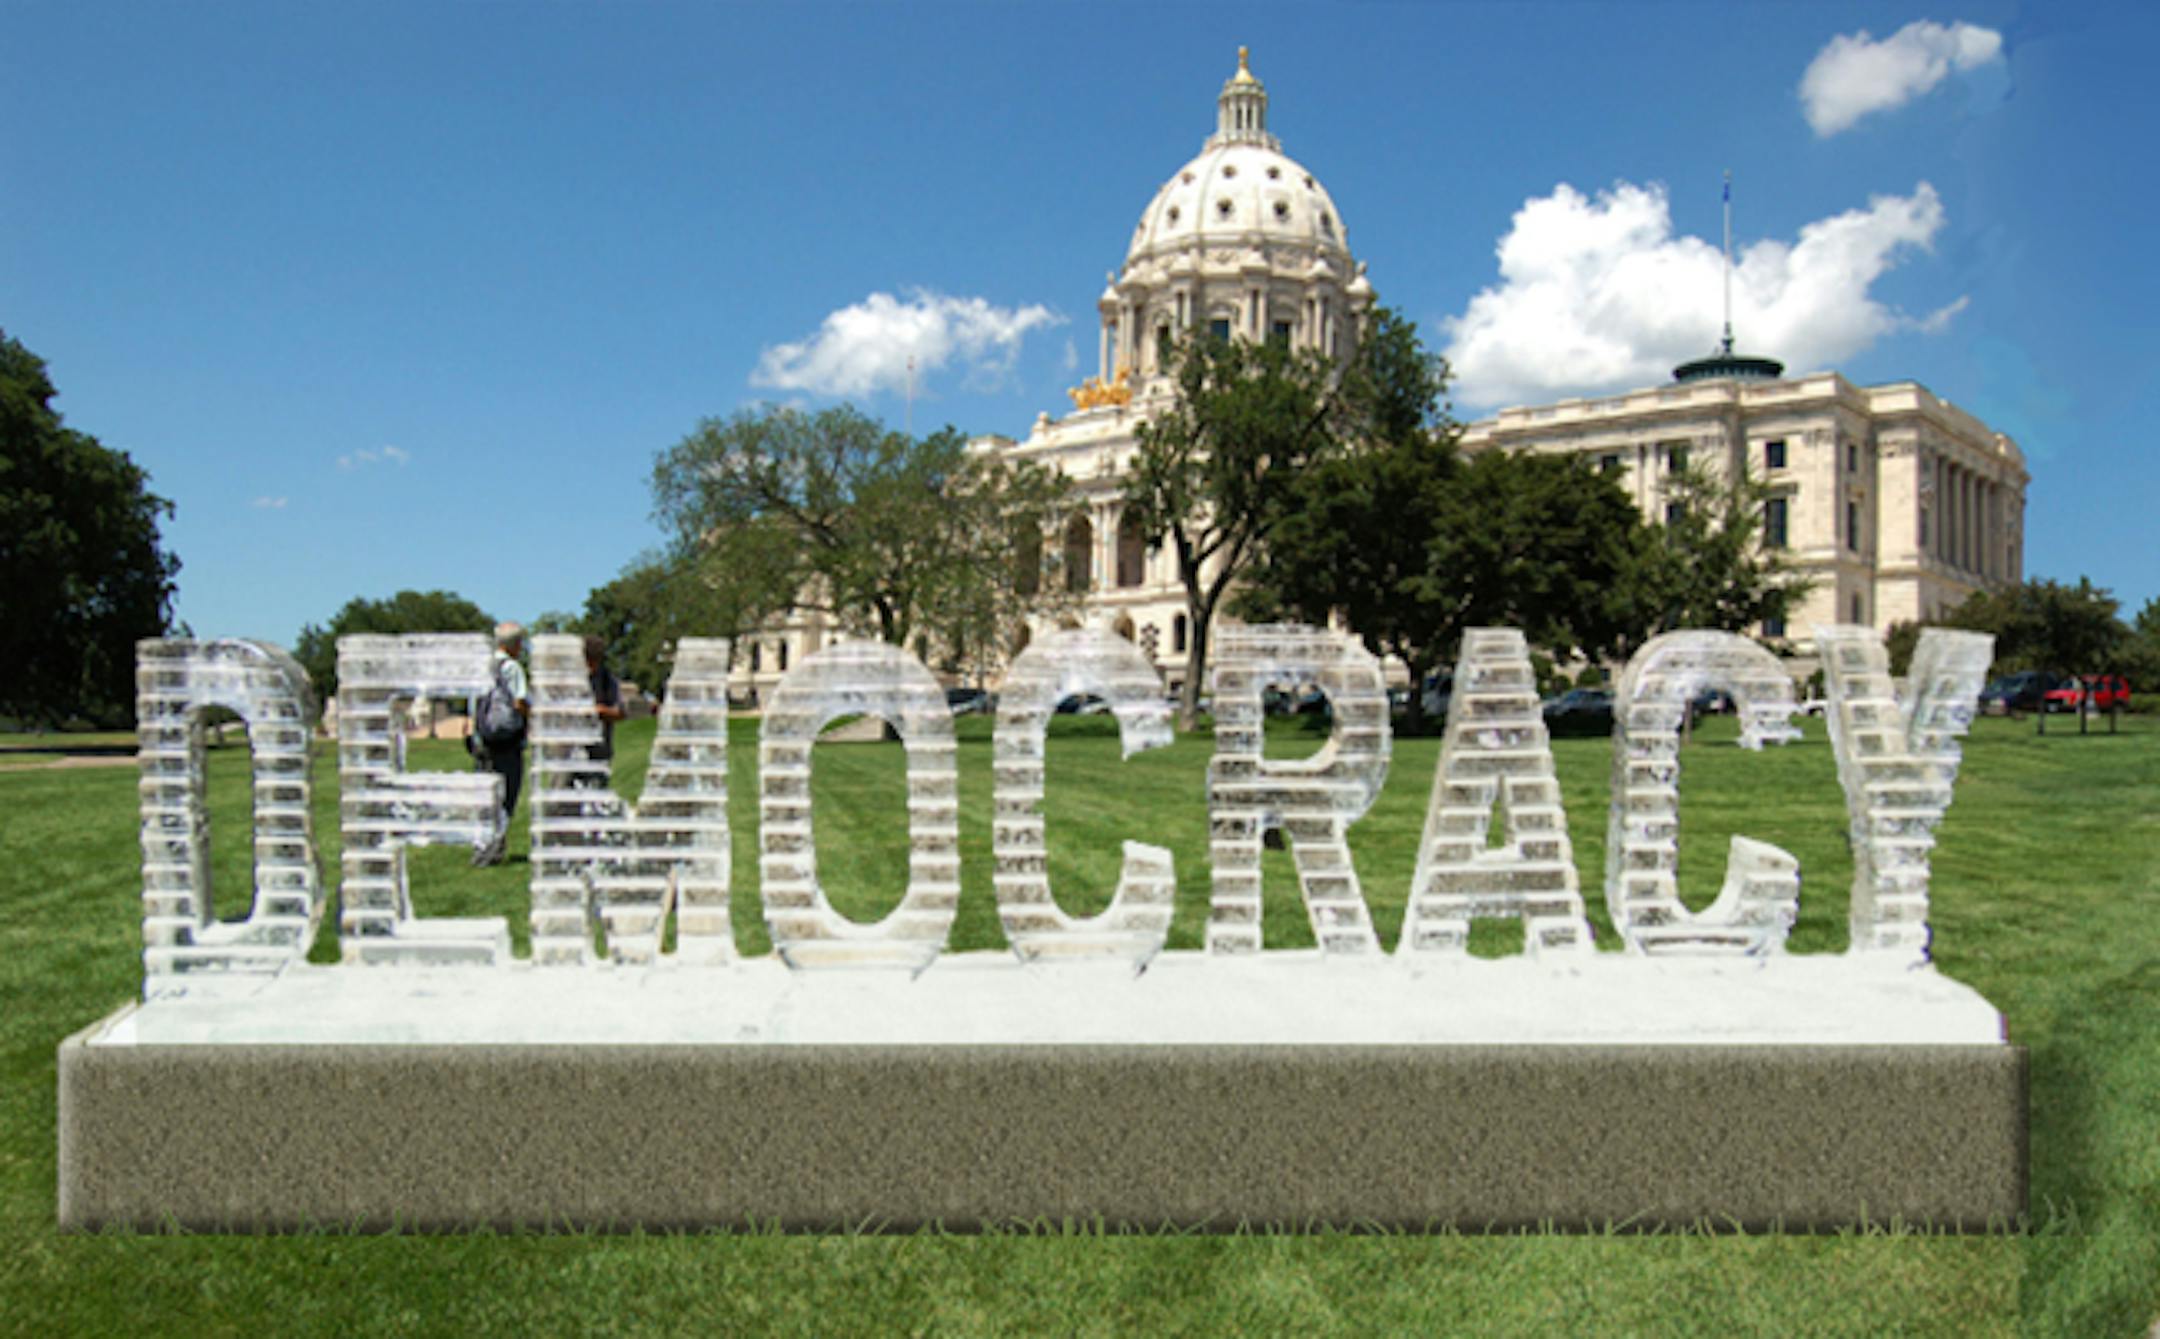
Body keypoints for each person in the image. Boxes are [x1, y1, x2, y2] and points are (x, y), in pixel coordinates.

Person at [467, 621, 531, 866]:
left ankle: (481, 849)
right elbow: (520, 701)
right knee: (506, 797)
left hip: (484, 740)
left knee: (484, 798)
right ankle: (493, 851)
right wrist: (531, 717)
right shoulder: (512, 668)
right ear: (514, 645)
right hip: (507, 741)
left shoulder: (482, 667)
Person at [579, 634, 626, 788]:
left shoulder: (607, 680)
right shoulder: (570, 679)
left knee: (596, 798)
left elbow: (620, 713)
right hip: (570, 751)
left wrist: (598, 710)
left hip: (599, 751)